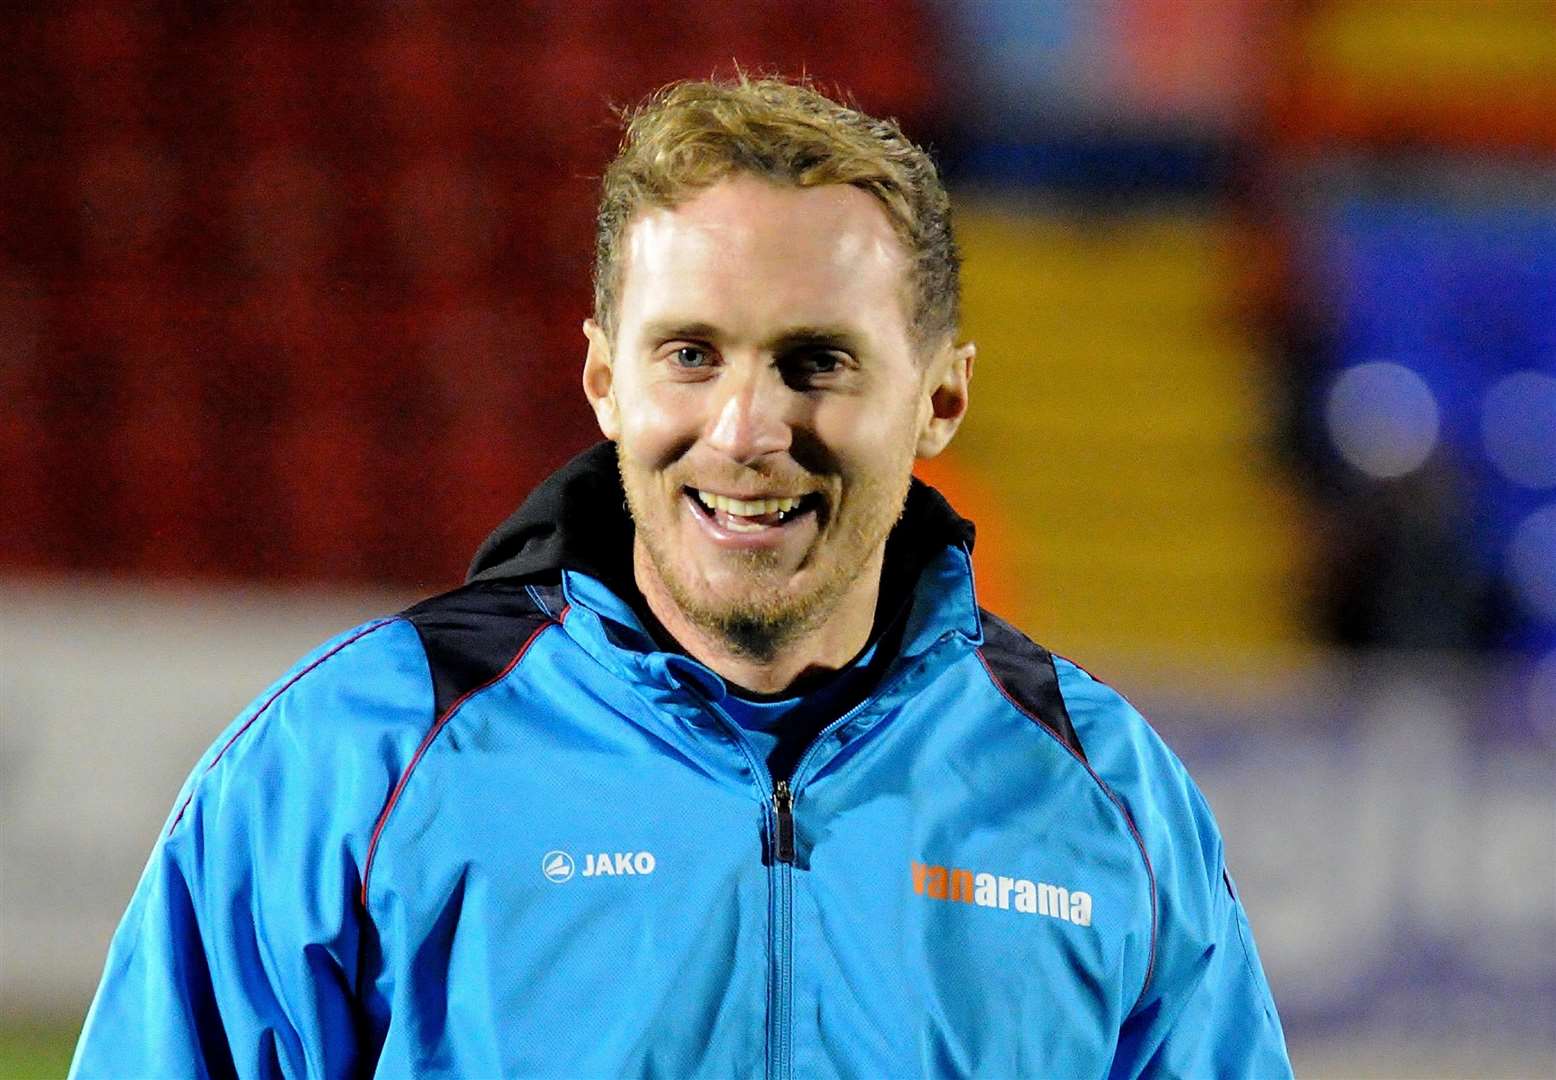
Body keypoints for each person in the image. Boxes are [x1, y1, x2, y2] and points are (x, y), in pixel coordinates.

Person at [73, 76, 1291, 1078]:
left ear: (939, 398)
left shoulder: (1102, 796)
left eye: (816, 361)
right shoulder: (349, 759)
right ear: (604, 379)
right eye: (690, 354)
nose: (746, 428)